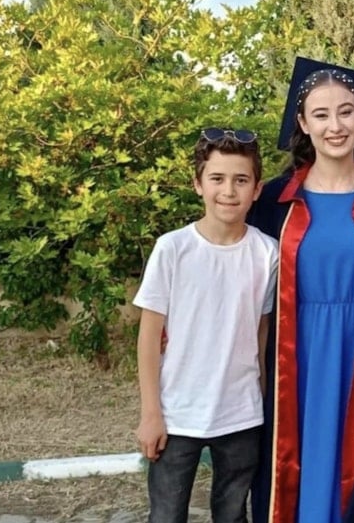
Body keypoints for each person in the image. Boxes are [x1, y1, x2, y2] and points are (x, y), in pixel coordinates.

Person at [248, 57, 354, 523]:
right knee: (292, 460)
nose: (335, 126)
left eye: (346, 111)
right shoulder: (273, 202)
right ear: (303, 123)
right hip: (292, 353)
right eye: (321, 115)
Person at [134, 128, 278, 523]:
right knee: (166, 514)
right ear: (198, 184)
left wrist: (264, 399)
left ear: (257, 189)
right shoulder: (173, 249)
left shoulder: (267, 253)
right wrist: (151, 413)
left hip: (242, 414)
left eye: (241, 180)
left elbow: (262, 333)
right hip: (178, 413)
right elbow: (149, 337)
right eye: (217, 178)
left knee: (232, 513)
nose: (228, 191)